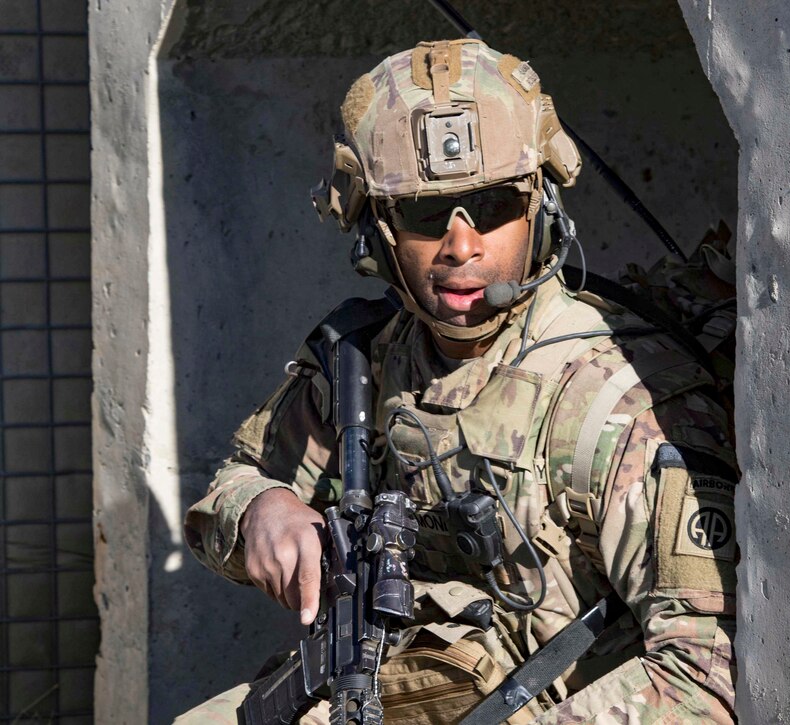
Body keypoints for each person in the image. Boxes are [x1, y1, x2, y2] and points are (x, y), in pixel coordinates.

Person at [180, 39, 738, 724]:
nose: (463, 247)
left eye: (494, 205)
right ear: (376, 229)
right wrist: (261, 509)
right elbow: (230, 488)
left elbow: (704, 677)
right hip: (400, 684)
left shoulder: (614, 399)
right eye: (424, 214)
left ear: (541, 206)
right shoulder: (367, 363)